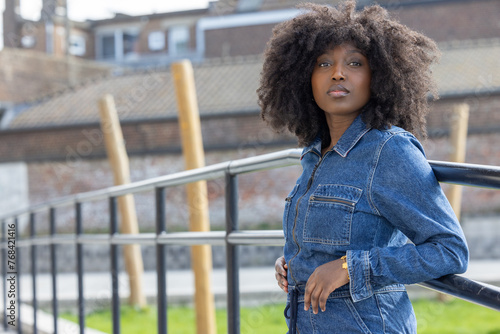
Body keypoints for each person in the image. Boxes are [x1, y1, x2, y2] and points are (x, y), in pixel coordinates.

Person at [257, 1, 469, 333]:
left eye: (354, 63)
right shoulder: (315, 153)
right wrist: (296, 264)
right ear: (304, 78)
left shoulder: (389, 150)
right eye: (323, 63)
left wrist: (349, 268)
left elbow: (449, 250)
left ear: (380, 75)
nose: (337, 73)